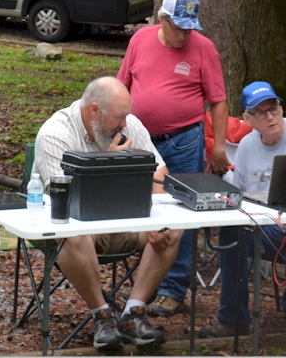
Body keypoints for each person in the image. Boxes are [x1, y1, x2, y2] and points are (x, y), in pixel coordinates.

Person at [33, 76, 182, 351]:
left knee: (172, 228)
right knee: (72, 234)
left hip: (125, 222)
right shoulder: (55, 133)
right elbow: (64, 199)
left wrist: (154, 222)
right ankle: (101, 316)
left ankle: (133, 313)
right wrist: (110, 163)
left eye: (126, 115)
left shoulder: (130, 124)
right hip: (75, 227)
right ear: (94, 111)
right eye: (119, 117)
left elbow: (160, 176)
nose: (125, 123)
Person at [117, 0, 230, 317]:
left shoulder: (204, 49)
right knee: (142, 207)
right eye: (177, 27)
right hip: (140, 141)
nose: (183, 35)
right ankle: (145, 283)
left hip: (182, 141)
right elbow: (122, 83)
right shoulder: (140, 40)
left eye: (189, 28)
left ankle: (173, 287)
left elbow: (218, 100)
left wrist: (219, 146)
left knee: (180, 211)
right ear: (162, 20)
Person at [199, 81, 286, 338]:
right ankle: (233, 318)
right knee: (232, 233)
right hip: (270, 229)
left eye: (273, 108)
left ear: (281, 107)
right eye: (261, 113)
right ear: (248, 119)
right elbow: (240, 200)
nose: (270, 116)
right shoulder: (247, 148)